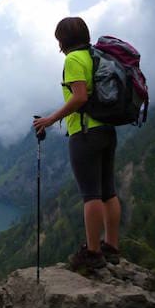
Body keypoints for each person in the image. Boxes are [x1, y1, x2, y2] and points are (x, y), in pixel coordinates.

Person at [33, 17, 121, 270]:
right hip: (107, 129)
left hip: (85, 133)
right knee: (108, 191)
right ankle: (112, 247)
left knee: (90, 194)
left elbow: (80, 96)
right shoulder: (96, 56)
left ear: (62, 40)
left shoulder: (73, 60)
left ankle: (93, 253)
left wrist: (51, 119)